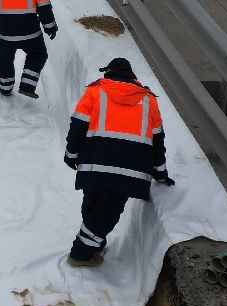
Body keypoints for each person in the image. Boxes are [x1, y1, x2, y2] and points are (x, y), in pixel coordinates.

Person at [62, 58, 174, 267]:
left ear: (109, 73)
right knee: (106, 212)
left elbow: (77, 126)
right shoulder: (149, 100)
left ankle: (87, 248)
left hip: (94, 165)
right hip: (128, 171)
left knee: (94, 205)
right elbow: (157, 139)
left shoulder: (95, 92)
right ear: (133, 78)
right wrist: (160, 171)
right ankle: (82, 254)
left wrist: (71, 154)